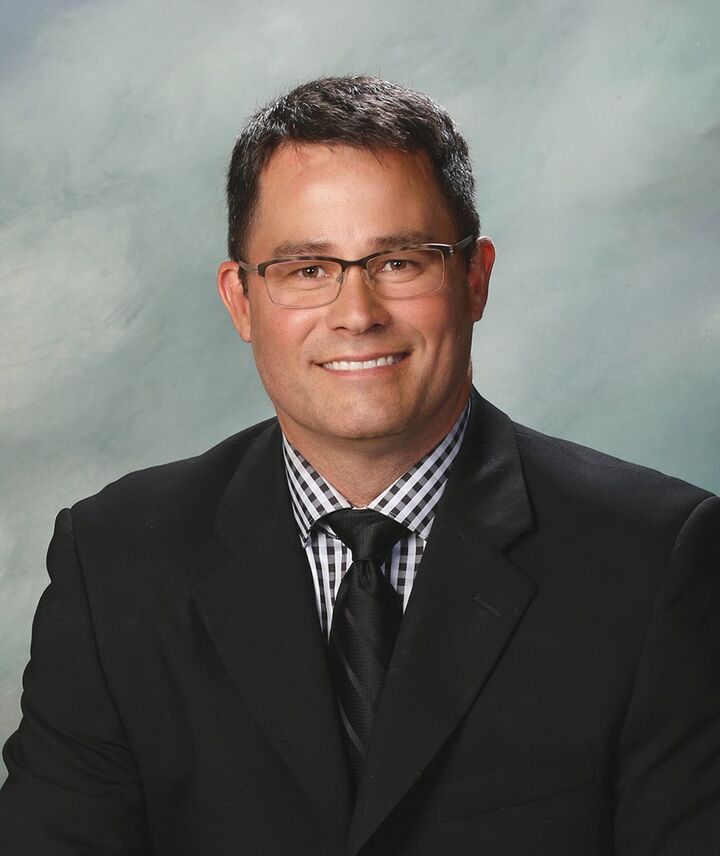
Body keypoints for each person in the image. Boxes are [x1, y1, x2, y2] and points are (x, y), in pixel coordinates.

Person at [1, 75, 718, 856]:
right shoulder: (115, 562)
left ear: (474, 279)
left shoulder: (658, 558)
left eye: (400, 262)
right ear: (240, 300)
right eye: (308, 269)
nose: (357, 314)